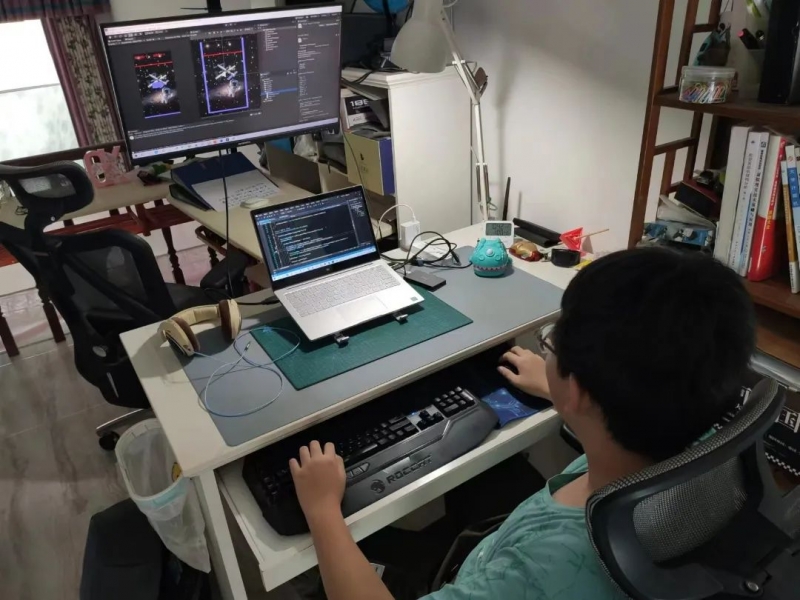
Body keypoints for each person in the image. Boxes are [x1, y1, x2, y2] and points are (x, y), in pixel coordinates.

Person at [289, 247, 756, 600]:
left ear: (580, 391)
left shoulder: (534, 573)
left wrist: (323, 510)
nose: (547, 351)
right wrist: (562, 388)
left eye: (551, 344)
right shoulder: (702, 434)